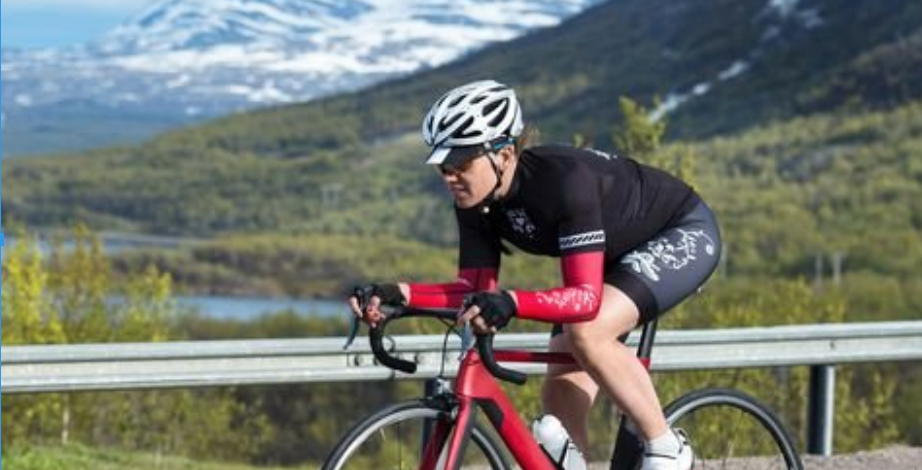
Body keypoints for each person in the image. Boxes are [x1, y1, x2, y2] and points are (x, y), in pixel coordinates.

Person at [349, 79, 721, 470]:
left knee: (585, 331)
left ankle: (667, 449)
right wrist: (399, 294)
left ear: (504, 154)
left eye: (460, 164)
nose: (449, 176)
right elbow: (473, 289)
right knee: (557, 412)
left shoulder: (563, 182)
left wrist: (510, 302)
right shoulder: (474, 202)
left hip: (680, 232)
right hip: (609, 259)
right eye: (443, 165)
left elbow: (584, 299)